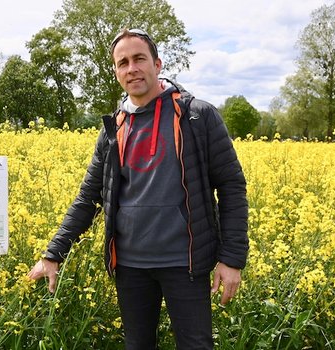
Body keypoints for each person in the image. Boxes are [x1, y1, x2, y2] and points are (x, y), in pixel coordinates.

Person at [27, 28, 249, 349]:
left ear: (157, 64)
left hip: (184, 263)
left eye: (139, 59)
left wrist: (231, 259)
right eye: (123, 63)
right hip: (130, 266)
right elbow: (89, 198)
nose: (132, 68)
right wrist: (54, 253)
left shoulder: (197, 117)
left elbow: (231, 189)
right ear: (117, 72)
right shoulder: (113, 127)